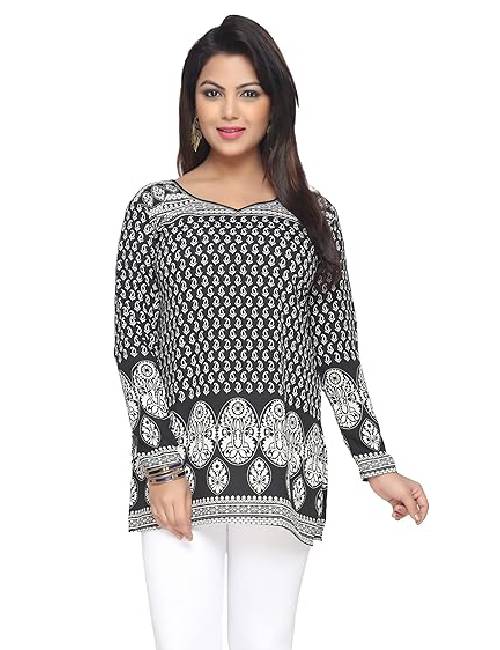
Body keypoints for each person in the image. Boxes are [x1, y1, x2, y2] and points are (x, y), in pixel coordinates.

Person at [113, 14, 429, 650]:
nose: (229, 111)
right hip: (179, 472)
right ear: (192, 104)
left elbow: (336, 355)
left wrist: (378, 467)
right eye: (213, 92)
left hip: (283, 467)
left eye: (248, 92)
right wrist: (160, 466)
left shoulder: (312, 216)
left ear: (274, 104)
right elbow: (136, 349)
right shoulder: (154, 210)